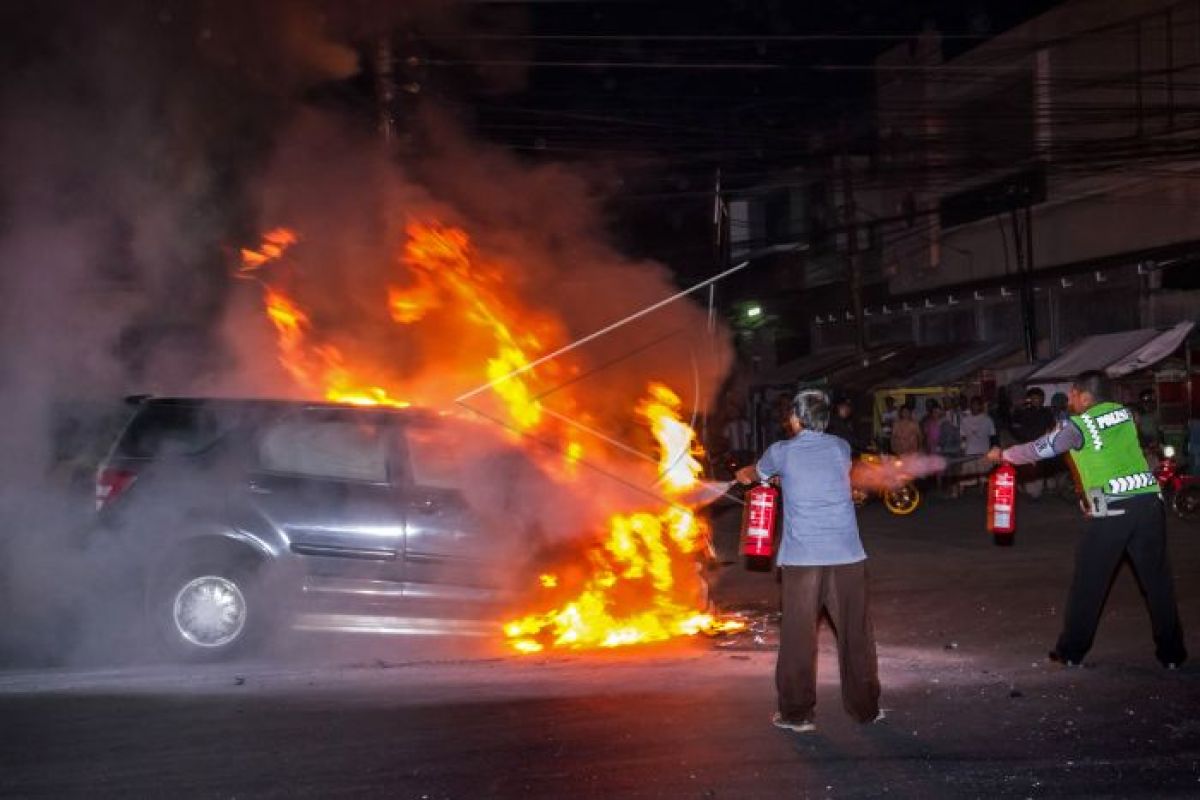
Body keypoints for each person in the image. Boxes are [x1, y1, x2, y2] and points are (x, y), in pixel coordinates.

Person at [987, 370, 1187, 669]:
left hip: (1114, 512)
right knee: (1157, 583)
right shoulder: (1124, 414)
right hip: (1149, 504)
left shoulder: (1080, 425)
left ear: (1084, 395)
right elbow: (1108, 458)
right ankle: (1172, 655)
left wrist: (1005, 454)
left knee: (1089, 583)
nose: (1069, 400)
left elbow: (1042, 449)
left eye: (1072, 394)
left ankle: (1070, 652)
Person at [736, 389, 882, 732]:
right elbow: (820, 475)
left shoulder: (780, 452)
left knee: (798, 639)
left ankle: (797, 715)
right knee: (855, 635)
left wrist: (750, 474)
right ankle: (866, 710)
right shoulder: (840, 448)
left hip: (804, 560)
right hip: (847, 556)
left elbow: (754, 474)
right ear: (825, 419)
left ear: (796, 419)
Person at [1008, 387, 1056, 498]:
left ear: (1042, 399)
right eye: (1033, 398)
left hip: (1043, 445)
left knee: (1042, 468)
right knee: (1030, 469)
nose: (1036, 400)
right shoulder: (1024, 412)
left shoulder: (1047, 412)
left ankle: (1041, 488)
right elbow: (1015, 427)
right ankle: (1031, 490)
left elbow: (1052, 427)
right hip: (1028, 445)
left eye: (1038, 398)